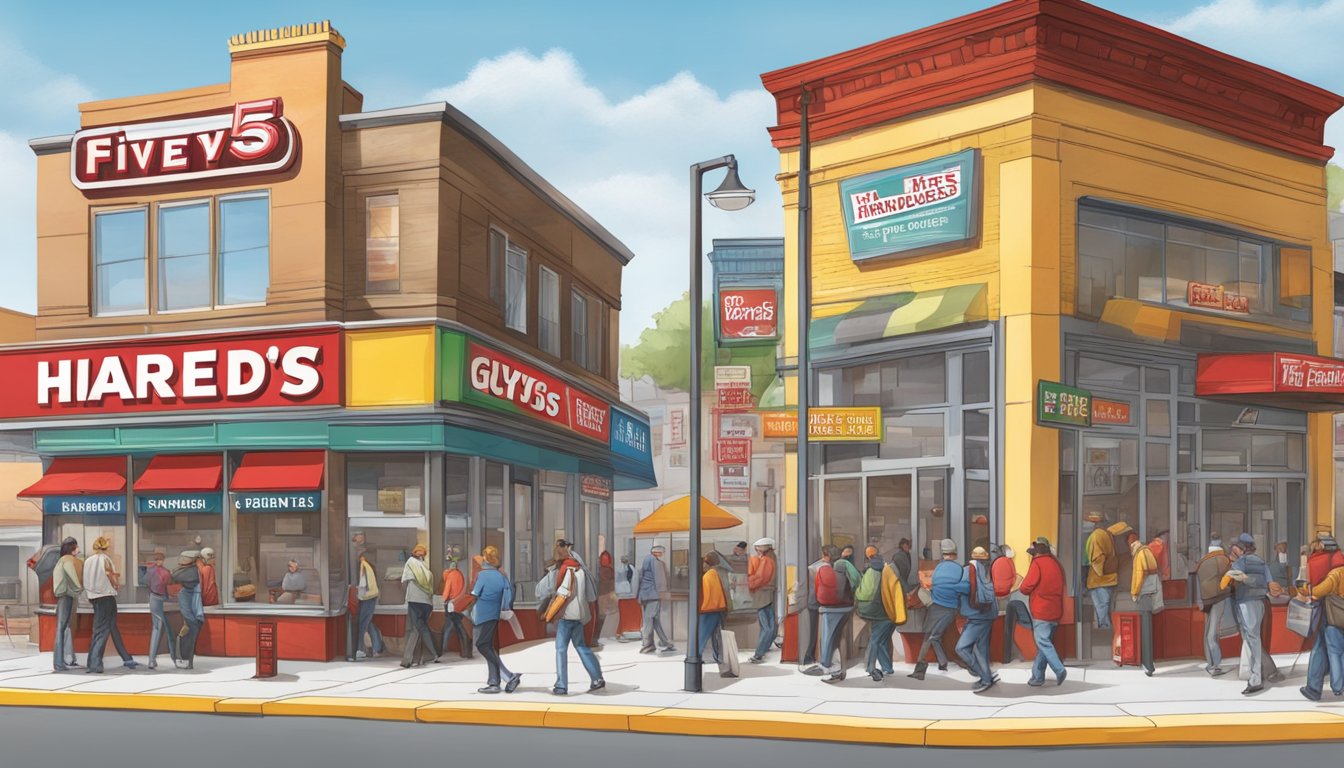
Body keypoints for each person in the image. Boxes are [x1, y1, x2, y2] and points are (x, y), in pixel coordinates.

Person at [550, 543, 605, 695]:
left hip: (567, 615)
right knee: (581, 646)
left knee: (560, 649)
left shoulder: (568, 571)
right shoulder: (580, 570)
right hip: (579, 614)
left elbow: (564, 593)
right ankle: (597, 678)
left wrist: (554, 610)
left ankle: (561, 685)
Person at [1223, 533, 1271, 695]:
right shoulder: (1262, 562)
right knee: (1254, 638)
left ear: (1241, 548)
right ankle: (1258, 674)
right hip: (1260, 602)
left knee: (1251, 639)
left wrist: (1243, 578)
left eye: (1235, 547)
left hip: (1246, 602)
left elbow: (1230, 578)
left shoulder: (1241, 561)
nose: (1233, 549)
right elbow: (1268, 583)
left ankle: (1256, 679)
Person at [909, 539, 962, 681]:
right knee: (935, 635)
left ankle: (921, 669)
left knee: (930, 636)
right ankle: (942, 662)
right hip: (951, 608)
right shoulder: (959, 569)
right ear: (955, 554)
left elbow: (933, 585)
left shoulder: (938, 568)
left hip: (937, 605)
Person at [83, 536, 138, 673]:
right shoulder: (105, 559)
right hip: (106, 597)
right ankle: (95, 664)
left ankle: (126, 658)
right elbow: (109, 574)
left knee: (107, 627)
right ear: (106, 547)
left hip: (94, 597)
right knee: (102, 631)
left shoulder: (88, 560)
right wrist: (116, 584)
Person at [471, 545, 521, 694]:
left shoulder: (483, 575)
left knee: (482, 645)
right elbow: (509, 593)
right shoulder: (501, 575)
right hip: (494, 614)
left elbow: (475, 593)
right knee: (488, 646)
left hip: (482, 614)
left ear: (485, 558)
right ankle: (494, 682)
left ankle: (508, 677)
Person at [1020, 537, 1066, 686]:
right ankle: (1037, 676)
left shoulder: (1037, 564)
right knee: (1044, 645)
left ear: (1037, 551)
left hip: (1042, 610)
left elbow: (1025, 587)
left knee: (1043, 642)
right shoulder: (1055, 564)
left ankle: (1059, 669)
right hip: (1056, 610)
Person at [955, 546, 998, 693]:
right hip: (988, 614)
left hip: (976, 616)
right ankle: (987, 675)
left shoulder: (969, 569)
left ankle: (985, 677)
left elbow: (963, 587)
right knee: (981, 649)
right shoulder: (988, 570)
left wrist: (952, 586)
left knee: (961, 648)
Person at [814, 544, 859, 682]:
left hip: (831, 608)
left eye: (824, 555)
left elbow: (819, 591)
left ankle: (828, 667)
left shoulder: (825, 569)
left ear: (828, 556)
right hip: (846, 607)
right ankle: (842, 670)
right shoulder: (844, 566)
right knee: (841, 638)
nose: (822, 557)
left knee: (828, 639)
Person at [1300, 561, 1344, 701]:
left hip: (1334, 621)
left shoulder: (1337, 574)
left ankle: (1337, 687)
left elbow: (1317, 591)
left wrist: (1305, 588)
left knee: (1335, 652)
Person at [855, 547, 895, 681]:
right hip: (882, 612)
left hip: (866, 609)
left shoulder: (868, 572)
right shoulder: (886, 573)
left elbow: (859, 589)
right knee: (876, 639)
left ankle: (887, 667)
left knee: (880, 639)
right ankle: (870, 667)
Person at [1195, 536, 1232, 677]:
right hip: (1219, 598)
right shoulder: (1224, 560)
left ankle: (1210, 663)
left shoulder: (1202, 561)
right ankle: (1215, 665)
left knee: (1208, 633)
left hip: (1206, 601)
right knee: (1213, 634)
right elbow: (1230, 579)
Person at [400, 544, 440, 668]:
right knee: (420, 628)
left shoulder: (411, 563)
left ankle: (408, 660)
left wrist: (406, 595)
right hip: (426, 602)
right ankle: (428, 656)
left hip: (415, 601)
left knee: (414, 629)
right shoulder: (425, 568)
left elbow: (404, 582)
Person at [1127, 530, 1160, 676]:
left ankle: (1148, 665)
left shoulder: (1139, 554)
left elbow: (1138, 576)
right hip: (1151, 592)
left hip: (1144, 594)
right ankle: (1148, 663)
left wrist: (1134, 593)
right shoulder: (1147, 551)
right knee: (1148, 628)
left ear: (1131, 543)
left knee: (1145, 630)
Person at [697, 551, 734, 676]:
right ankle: (719, 659)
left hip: (709, 610)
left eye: (704, 562)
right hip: (718, 609)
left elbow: (707, 595)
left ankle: (697, 656)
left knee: (703, 635)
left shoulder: (709, 575)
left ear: (707, 563)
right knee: (716, 636)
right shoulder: (717, 573)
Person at [637, 545, 675, 654]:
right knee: (650, 620)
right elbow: (660, 580)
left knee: (654, 620)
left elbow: (641, 577)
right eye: (662, 552)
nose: (662, 554)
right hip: (653, 595)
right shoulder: (656, 562)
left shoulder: (646, 559)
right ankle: (647, 644)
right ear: (657, 552)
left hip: (645, 594)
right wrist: (663, 593)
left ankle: (665, 642)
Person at [1084, 512, 1119, 630]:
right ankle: (1104, 627)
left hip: (1100, 580)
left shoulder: (1097, 535)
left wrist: (1099, 572)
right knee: (1102, 606)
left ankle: (1104, 628)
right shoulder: (1107, 534)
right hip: (1105, 580)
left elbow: (1098, 559)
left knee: (1101, 606)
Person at [52, 537, 82, 672]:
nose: (78, 549)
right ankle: (58, 663)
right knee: (62, 628)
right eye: (76, 547)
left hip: (61, 597)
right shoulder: (68, 561)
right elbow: (74, 579)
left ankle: (65, 659)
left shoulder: (60, 561)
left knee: (63, 628)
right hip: (67, 596)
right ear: (72, 549)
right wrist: (79, 589)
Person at [747, 538, 778, 664]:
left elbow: (760, 578)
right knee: (770, 625)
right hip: (769, 594)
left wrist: (748, 583)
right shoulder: (773, 558)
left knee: (766, 626)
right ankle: (763, 649)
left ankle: (759, 654)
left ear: (761, 549)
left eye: (757, 549)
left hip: (763, 595)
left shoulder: (766, 560)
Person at [144, 551, 177, 670]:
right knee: (167, 629)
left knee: (157, 628)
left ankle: (152, 659)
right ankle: (173, 656)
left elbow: (146, 583)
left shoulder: (150, 571)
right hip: (164, 599)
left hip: (153, 598)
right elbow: (170, 584)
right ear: (163, 560)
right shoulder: (166, 572)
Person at [438, 547, 472, 660]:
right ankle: (467, 651)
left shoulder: (450, 576)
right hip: (458, 604)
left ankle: (441, 652)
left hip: (451, 605)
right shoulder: (460, 574)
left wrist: (442, 600)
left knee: (447, 629)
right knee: (458, 627)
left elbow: (446, 591)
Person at [172, 550, 202, 669]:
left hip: (190, 607)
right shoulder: (189, 570)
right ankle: (185, 660)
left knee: (190, 630)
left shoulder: (192, 572)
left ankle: (185, 660)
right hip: (190, 606)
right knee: (189, 631)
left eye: (184, 558)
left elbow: (174, 575)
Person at [354, 548, 385, 660]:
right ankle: (377, 647)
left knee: (363, 624)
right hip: (372, 596)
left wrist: (357, 595)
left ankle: (360, 649)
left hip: (367, 597)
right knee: (368, 622)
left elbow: (362, 584)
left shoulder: (363, 565)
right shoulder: (369, 566)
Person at [592, 551, 618, 648]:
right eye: (603, 559)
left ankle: (600, 637)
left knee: (603, 618)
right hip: (608, 594)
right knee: (605, 617)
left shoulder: (603, 571)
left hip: (605, 594)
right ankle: (602, 637)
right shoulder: (610, 570)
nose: (604, 561)